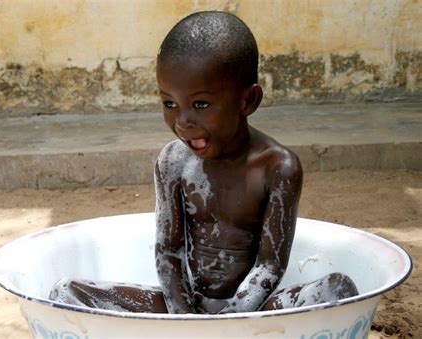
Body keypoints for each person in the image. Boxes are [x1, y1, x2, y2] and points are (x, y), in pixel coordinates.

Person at [50, 11, 358, 314]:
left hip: (253, 312)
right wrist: (186, 319)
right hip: (184, 306)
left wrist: (226, 323)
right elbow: (169, 252)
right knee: (65, 293)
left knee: (336, 289)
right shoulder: (173, 160)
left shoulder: (276, 167)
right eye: (169, 103)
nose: (182, 121)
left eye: (200, 104)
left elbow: (269, 265)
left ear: (247, 101)